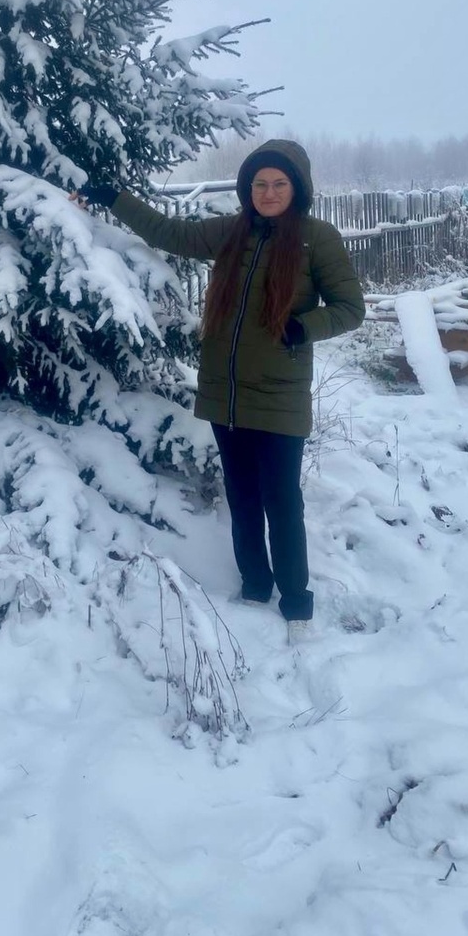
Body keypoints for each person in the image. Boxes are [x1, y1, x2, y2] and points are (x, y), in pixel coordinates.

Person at [73, 139, 365, 643]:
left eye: (278, 183)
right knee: (242, 496)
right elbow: (170, 233)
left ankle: (297, 604)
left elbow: (350, 307)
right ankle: (255, 585)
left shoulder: (317, 238)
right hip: (225, 392)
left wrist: (302, 327)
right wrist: (113, 197)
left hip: (278, 393)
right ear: (247, 189)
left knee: (282, 501)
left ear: (296, 188)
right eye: (259, 184)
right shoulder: (231, 232)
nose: (268, 192)